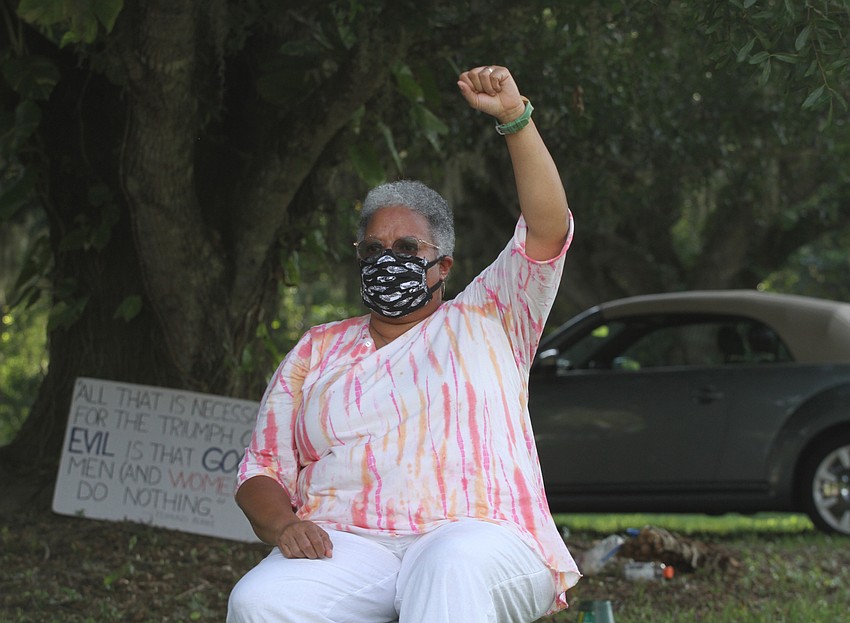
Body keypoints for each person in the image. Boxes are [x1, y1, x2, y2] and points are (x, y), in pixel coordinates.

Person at [227, 64, 580, 623]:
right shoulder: (317, 350)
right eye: (372, 249)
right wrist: (285, 525)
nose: (387, 258)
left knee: (447, 568)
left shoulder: (491, 316)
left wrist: (515, 118)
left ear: (443, 264)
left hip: (479, 537)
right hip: (351, 546)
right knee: (260, 601)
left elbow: (547, 228)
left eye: (406, 246)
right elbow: (263, 468)